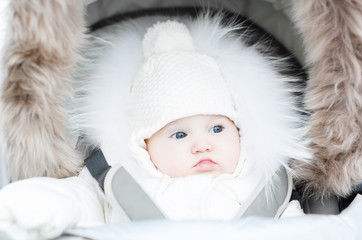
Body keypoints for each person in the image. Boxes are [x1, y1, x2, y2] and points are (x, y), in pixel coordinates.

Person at [0, 17, 307, 239]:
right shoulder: (117, 182)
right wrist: (29, 206)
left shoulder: (264, 183)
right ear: (143, 145)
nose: (202, 145)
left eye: (217, 129)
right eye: (179, 134)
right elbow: (70, 200)